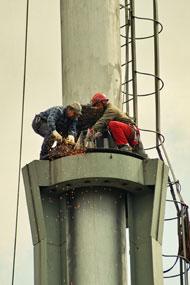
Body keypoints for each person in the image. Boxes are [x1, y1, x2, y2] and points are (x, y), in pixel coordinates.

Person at [87, 92, 147, 158]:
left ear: (103, 102)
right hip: (130, 133)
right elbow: (102, 127)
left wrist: (90, 132)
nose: (97, 108)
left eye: (97, 105)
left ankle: (124, 147)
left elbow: (102, 122)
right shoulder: (106, 110)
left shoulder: (111, 110)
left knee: (113, 124)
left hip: (131, 131)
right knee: (142, 156)